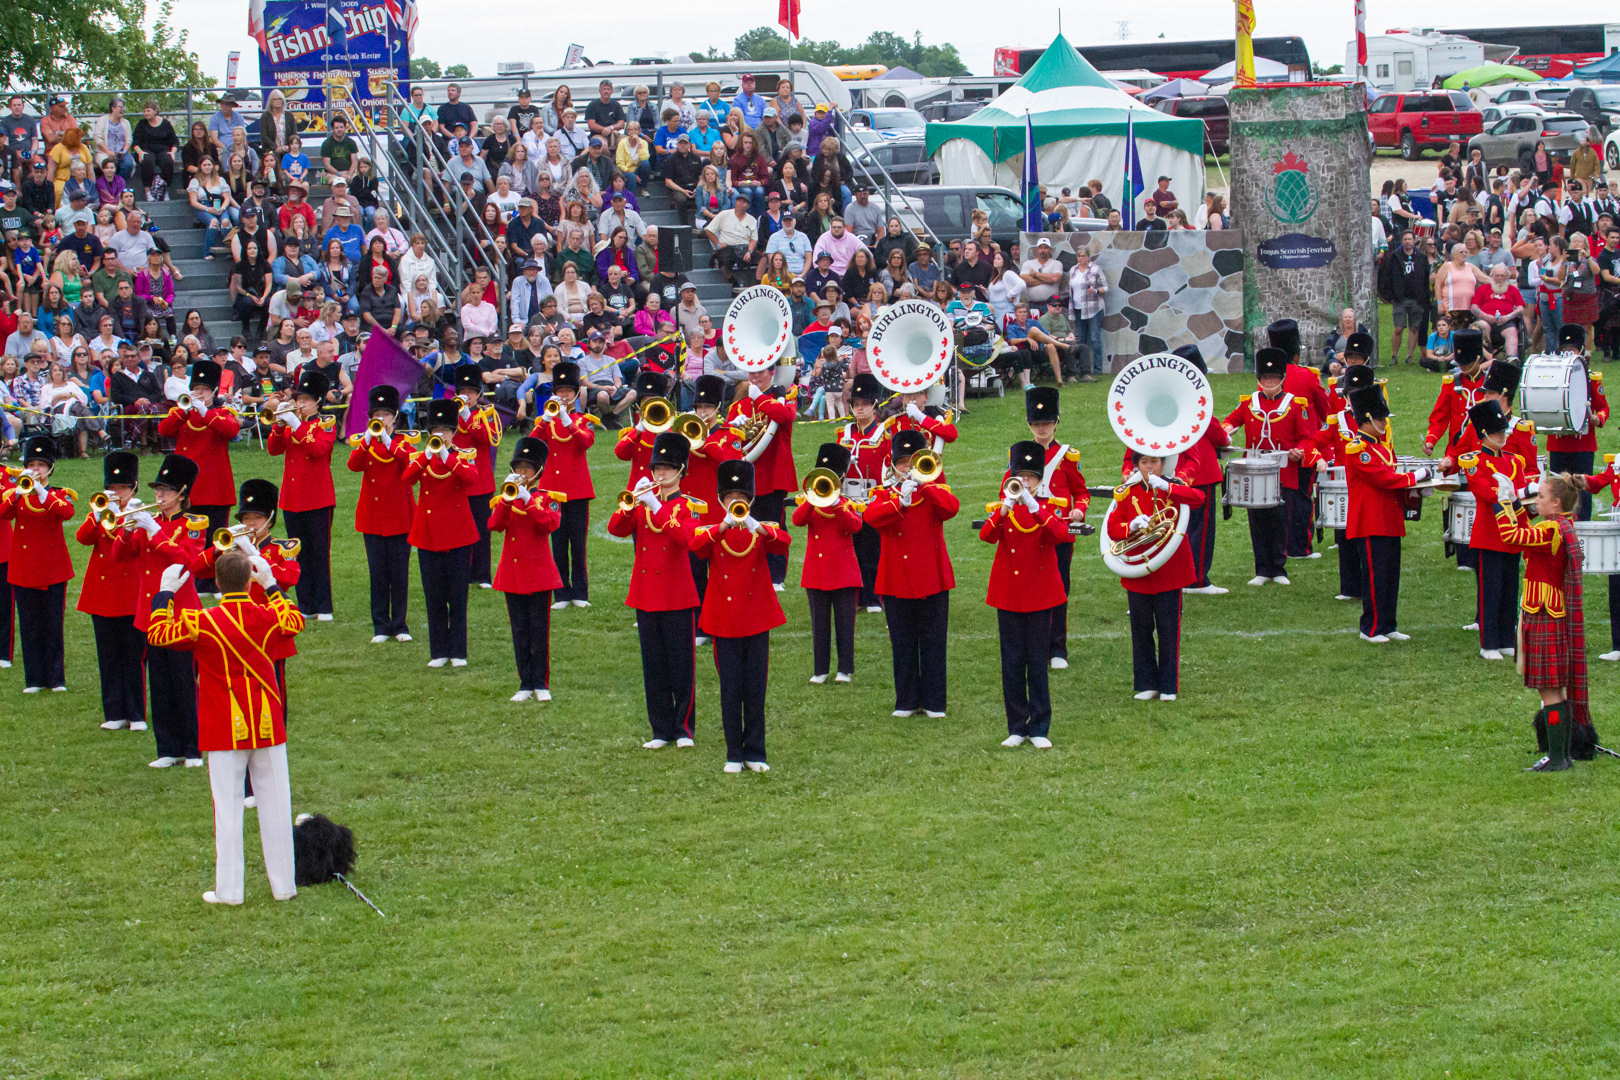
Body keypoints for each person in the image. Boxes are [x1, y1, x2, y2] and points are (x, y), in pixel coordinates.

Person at [147, 547, 302, 904]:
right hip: (267, 724)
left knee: (228, 812)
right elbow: (294, 621)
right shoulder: (268, 615)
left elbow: (158, 633)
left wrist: (165, 593)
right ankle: (284, 887)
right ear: (250, 583)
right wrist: (272, 585)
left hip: (223, 727)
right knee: (277, 806)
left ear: (216, 583)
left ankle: (230, 891)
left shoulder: (202, 621)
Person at [1486, 472, 1593, 771]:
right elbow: (1527, 531)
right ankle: (1561, 754)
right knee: (1553, 689)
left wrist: (1501, 503)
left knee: (1549, 689)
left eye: (1541, 497)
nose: (1537, 501)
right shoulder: (1559, 525)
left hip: (1544, 614)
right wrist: (1515, 504)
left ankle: (1557, 758)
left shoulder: (1551, 529)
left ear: (1556, 503)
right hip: (1547, 611)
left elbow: (1513, 536)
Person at [688, 459, 788, 772]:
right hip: (724, 618)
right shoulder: (711, 530)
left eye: (741, 497)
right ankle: (734, 752)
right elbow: (696, 547)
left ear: (751, 500)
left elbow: (783, 545)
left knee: (755, 687)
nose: (735, 502)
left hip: (756, 616)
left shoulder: (762, 530)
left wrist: (757, 525)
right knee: (730, 688)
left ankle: (755, 752)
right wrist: (723, 526)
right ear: (721, 501)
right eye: (729, 497)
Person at [609, 431, 705, 746]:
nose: (660, 474)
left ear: (680, 470)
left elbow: (686, 539)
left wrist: (656, 505)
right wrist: (630, 505)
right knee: (654, 666)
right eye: (657, 468)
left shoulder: (690, 506)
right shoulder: (641, 503)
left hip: (677, 594)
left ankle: (684, 729)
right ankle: (660, 730)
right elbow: (615, 529)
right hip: (646, 593)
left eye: (666, 468)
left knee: (681, 665)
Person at [112, 453, 205, 767]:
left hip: (180, 613)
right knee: (161, 684)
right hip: (152, 613)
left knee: (183, 683)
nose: (160, 495)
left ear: (181, 494)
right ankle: (167, 749)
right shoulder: (148, 522)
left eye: (166, 490)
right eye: (158, 490)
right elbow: (119, 556)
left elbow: (186, 561)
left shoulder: (193, 524)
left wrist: (153, 530)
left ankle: (193, 749)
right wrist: (127, 528)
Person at [862, 429, 958, 718]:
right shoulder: (884, 494)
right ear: (893, 465)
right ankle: (906, 701)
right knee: (902, 643)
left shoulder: (935, 490)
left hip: (932, 576)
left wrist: (926, 486)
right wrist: (899, 502)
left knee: (933, 640)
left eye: (912, 461)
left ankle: (934, 702)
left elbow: (951, 509)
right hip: (896, 578)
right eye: (902, 462)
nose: (907, 467)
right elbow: (870, 518)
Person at [981, 440, 1071, 743]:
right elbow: (986, 536)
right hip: (1009, 593)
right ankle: (1017, 727)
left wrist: (1034, 507)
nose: (1026, 482)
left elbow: (1060, 534)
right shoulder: (1003, 508)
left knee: (1037, 662)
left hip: (1040, 593)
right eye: (1021, 477)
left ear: (1039, 480)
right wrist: (1004, 509)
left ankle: (1040, 727)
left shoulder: (1048, 507)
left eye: (1031, 477)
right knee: (1012, 662)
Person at [1106, 451, 1205, 702]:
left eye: (1154, 461)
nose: (1149, 467)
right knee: (1140, 629)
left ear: (1163, 463)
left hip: (1170, 569)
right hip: (1139, 569)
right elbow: (1112, 529)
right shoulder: (1127, 491)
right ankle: (1147, 683)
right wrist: (1131, 526)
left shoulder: (1173, 486)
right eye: (1144, 462)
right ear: (1137, 465)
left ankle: (1169, 686)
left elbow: (1199, 498)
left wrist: (1167, 487)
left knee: (1168, 629)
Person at [1221, 348, 1316, 586]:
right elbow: (1230, 421)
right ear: (1259, 379)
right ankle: (1262, 569)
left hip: (1283, 470)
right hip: (1254, 470)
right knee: (1257, 520)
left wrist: (1298, 451)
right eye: (1265, 378)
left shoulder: (1294, 405)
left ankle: (1278, 569)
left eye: (1273, 378)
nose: (1269, 382)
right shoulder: (1249, 403)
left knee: (1281, 519)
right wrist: (1227, 430)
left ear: (1282, 379)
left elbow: (1306, 438)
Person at [1342, 383, 1426, 643]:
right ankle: (1371, 628)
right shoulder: (1358, 449)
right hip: (1370, 521)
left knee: (1390, 576)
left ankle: (1389, 624)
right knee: (1375, 577)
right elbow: (1384, 479)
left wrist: (1415, 489)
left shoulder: (1380, 447)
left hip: (1389, 519)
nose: (1384, 423)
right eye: (1380, 419)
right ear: (1367, 420)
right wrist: (1415, 477)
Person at [1014, 386, 1089, 667]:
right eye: (1036, 424)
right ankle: (1034, 645)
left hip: (1059, 532)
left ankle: (1057, 648)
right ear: (1029, 424)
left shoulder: (1068, 456)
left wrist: (1079, 510)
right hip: (1029, 532)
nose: (1041, 429)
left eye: (1046, 423)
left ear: (1056, 422)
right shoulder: (1020, 455)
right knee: (1030, 587)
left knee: (1059, 588)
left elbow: (1081, 492)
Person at [403, 399, 479, 667]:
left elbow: (471, 479)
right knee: (433, 595)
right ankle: (438, 652)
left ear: (454, 432)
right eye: (436, 430)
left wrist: (447, 456)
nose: (441, 434)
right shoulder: (421, 458)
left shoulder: (464, 455)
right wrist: (428, 455)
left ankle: (458, 651)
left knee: (457, 596)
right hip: (428, 534)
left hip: (458, 534)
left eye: (445, 430)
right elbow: (407, 479)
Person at [1459, 399, 1535, 661]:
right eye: (1496, 432)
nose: (1502, 436)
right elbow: (1481, 491)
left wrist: (1525, 496)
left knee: (1509, 589)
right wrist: (1506, 495)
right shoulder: (1475, 461)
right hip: (1490, 533)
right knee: (1490, 591)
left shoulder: (1514, 461)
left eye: (1503, 431)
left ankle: (1505, 640)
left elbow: (1520, 492)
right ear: (1483, 434)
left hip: (1513, 532)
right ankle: (1488, 643)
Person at [73, 450, 144, 728]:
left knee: (133, 656)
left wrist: (122, 516)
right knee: (108, 656)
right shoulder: (101, 512)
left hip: (130, 592)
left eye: (122, 487)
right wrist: (97, 514)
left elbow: (134, 546)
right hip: (101, 593)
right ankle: (114, 713)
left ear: (133, 487)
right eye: (112, 487)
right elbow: (82, 538)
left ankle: (136, 714)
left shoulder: (139, 513)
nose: (117, 493)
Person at [491, 437, 563, 702]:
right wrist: (507, 499)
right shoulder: (506, 498)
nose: (521, 472)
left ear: (538, 471)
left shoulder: (548, 499)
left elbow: (548, 525)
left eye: (527, 468)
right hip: (513, 572)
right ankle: (524, 683)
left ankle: (541, 683)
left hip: (539, 573)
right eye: (518, 467)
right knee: (519, 630)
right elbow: (494, 525)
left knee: (539, 631)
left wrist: (528, 499)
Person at [0, 436, 76, 692]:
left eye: (41, 465)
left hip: (52, 568)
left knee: (53, 624)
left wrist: (41, 491)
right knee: (29, 625)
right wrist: (16, 493)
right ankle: (34, 679)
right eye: (31, 464)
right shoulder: (16, 495)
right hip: (23, 568)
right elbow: (3, 514)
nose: (35, 469)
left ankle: (56, 679)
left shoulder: (59, 494)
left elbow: (66, 512)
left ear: (50, 468)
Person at [156, 360, 237, 594]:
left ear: (214, 391)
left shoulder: (223, 413)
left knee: (215, 537)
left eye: (204, 389)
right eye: (196, 389)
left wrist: (205, 411)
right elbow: (164, 430)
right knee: (190, 537)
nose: (199, 393)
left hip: (215, 486)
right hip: (188, 487)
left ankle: (217, 582)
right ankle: (196, 581)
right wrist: (184, 411)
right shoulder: (181, 414)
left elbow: (230, 431)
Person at [265, 369, 337, 621]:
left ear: (317, 401)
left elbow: (318, 450)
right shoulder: (291, 422)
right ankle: (306, 604)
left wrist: (296, 426)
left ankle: (324, 606)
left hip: (317, 497)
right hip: (292, 497)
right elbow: (273, 450)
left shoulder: (326, 423)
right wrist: (279, 425)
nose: (301, 403)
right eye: (299, 399)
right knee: (298, 553)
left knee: (319, 552)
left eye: (306, 399)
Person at [347, 385, 416, 643]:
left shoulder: (404, 442)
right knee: (377, 574)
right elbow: (353, 465)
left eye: (385, 415)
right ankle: (380, 626)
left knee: (399, 573)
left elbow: (410, 464)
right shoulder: (365, 443)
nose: (380, 419)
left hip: (399, 515)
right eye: (376, 415)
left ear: (394, 417)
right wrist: (367, 440)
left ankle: (399, 625)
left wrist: (388, 441)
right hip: (373, 516)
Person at [792, 442, 862, 684]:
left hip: (844, 572)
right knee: (819, 625)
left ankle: (845, 669)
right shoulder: (810, 503)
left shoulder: (847, 502)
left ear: (840, 478)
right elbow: (797, 520)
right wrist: (813, 499)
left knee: (845, 624)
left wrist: (836, 504)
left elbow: (855, 526)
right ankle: (820, 669)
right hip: (817, 573)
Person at [726, 366, 798, 586]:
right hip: (747, 473)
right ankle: (751, 572)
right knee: (746, 525)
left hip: (774, 473)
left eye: (760, 372)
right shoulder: (739, 406)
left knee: (774, 525)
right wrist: (732, 428)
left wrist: (760, 398)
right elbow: (729, 443)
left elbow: (784, 416)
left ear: (771, 373)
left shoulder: (783, 397)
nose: (755, 376)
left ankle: (776, 578)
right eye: (751, 373)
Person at [533, 362, 596, 608]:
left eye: (568, 391)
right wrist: (546, 419)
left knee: (578, 544)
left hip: (578, 489)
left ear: (576, 394)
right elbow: (532, 445)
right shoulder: (545, 420)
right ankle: (561, 593)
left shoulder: (583, 420)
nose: (564, 395)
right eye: (560, 391)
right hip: (552, 489)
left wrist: (567, 419)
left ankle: (580, 593)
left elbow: (586, 443)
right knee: (557, 543)